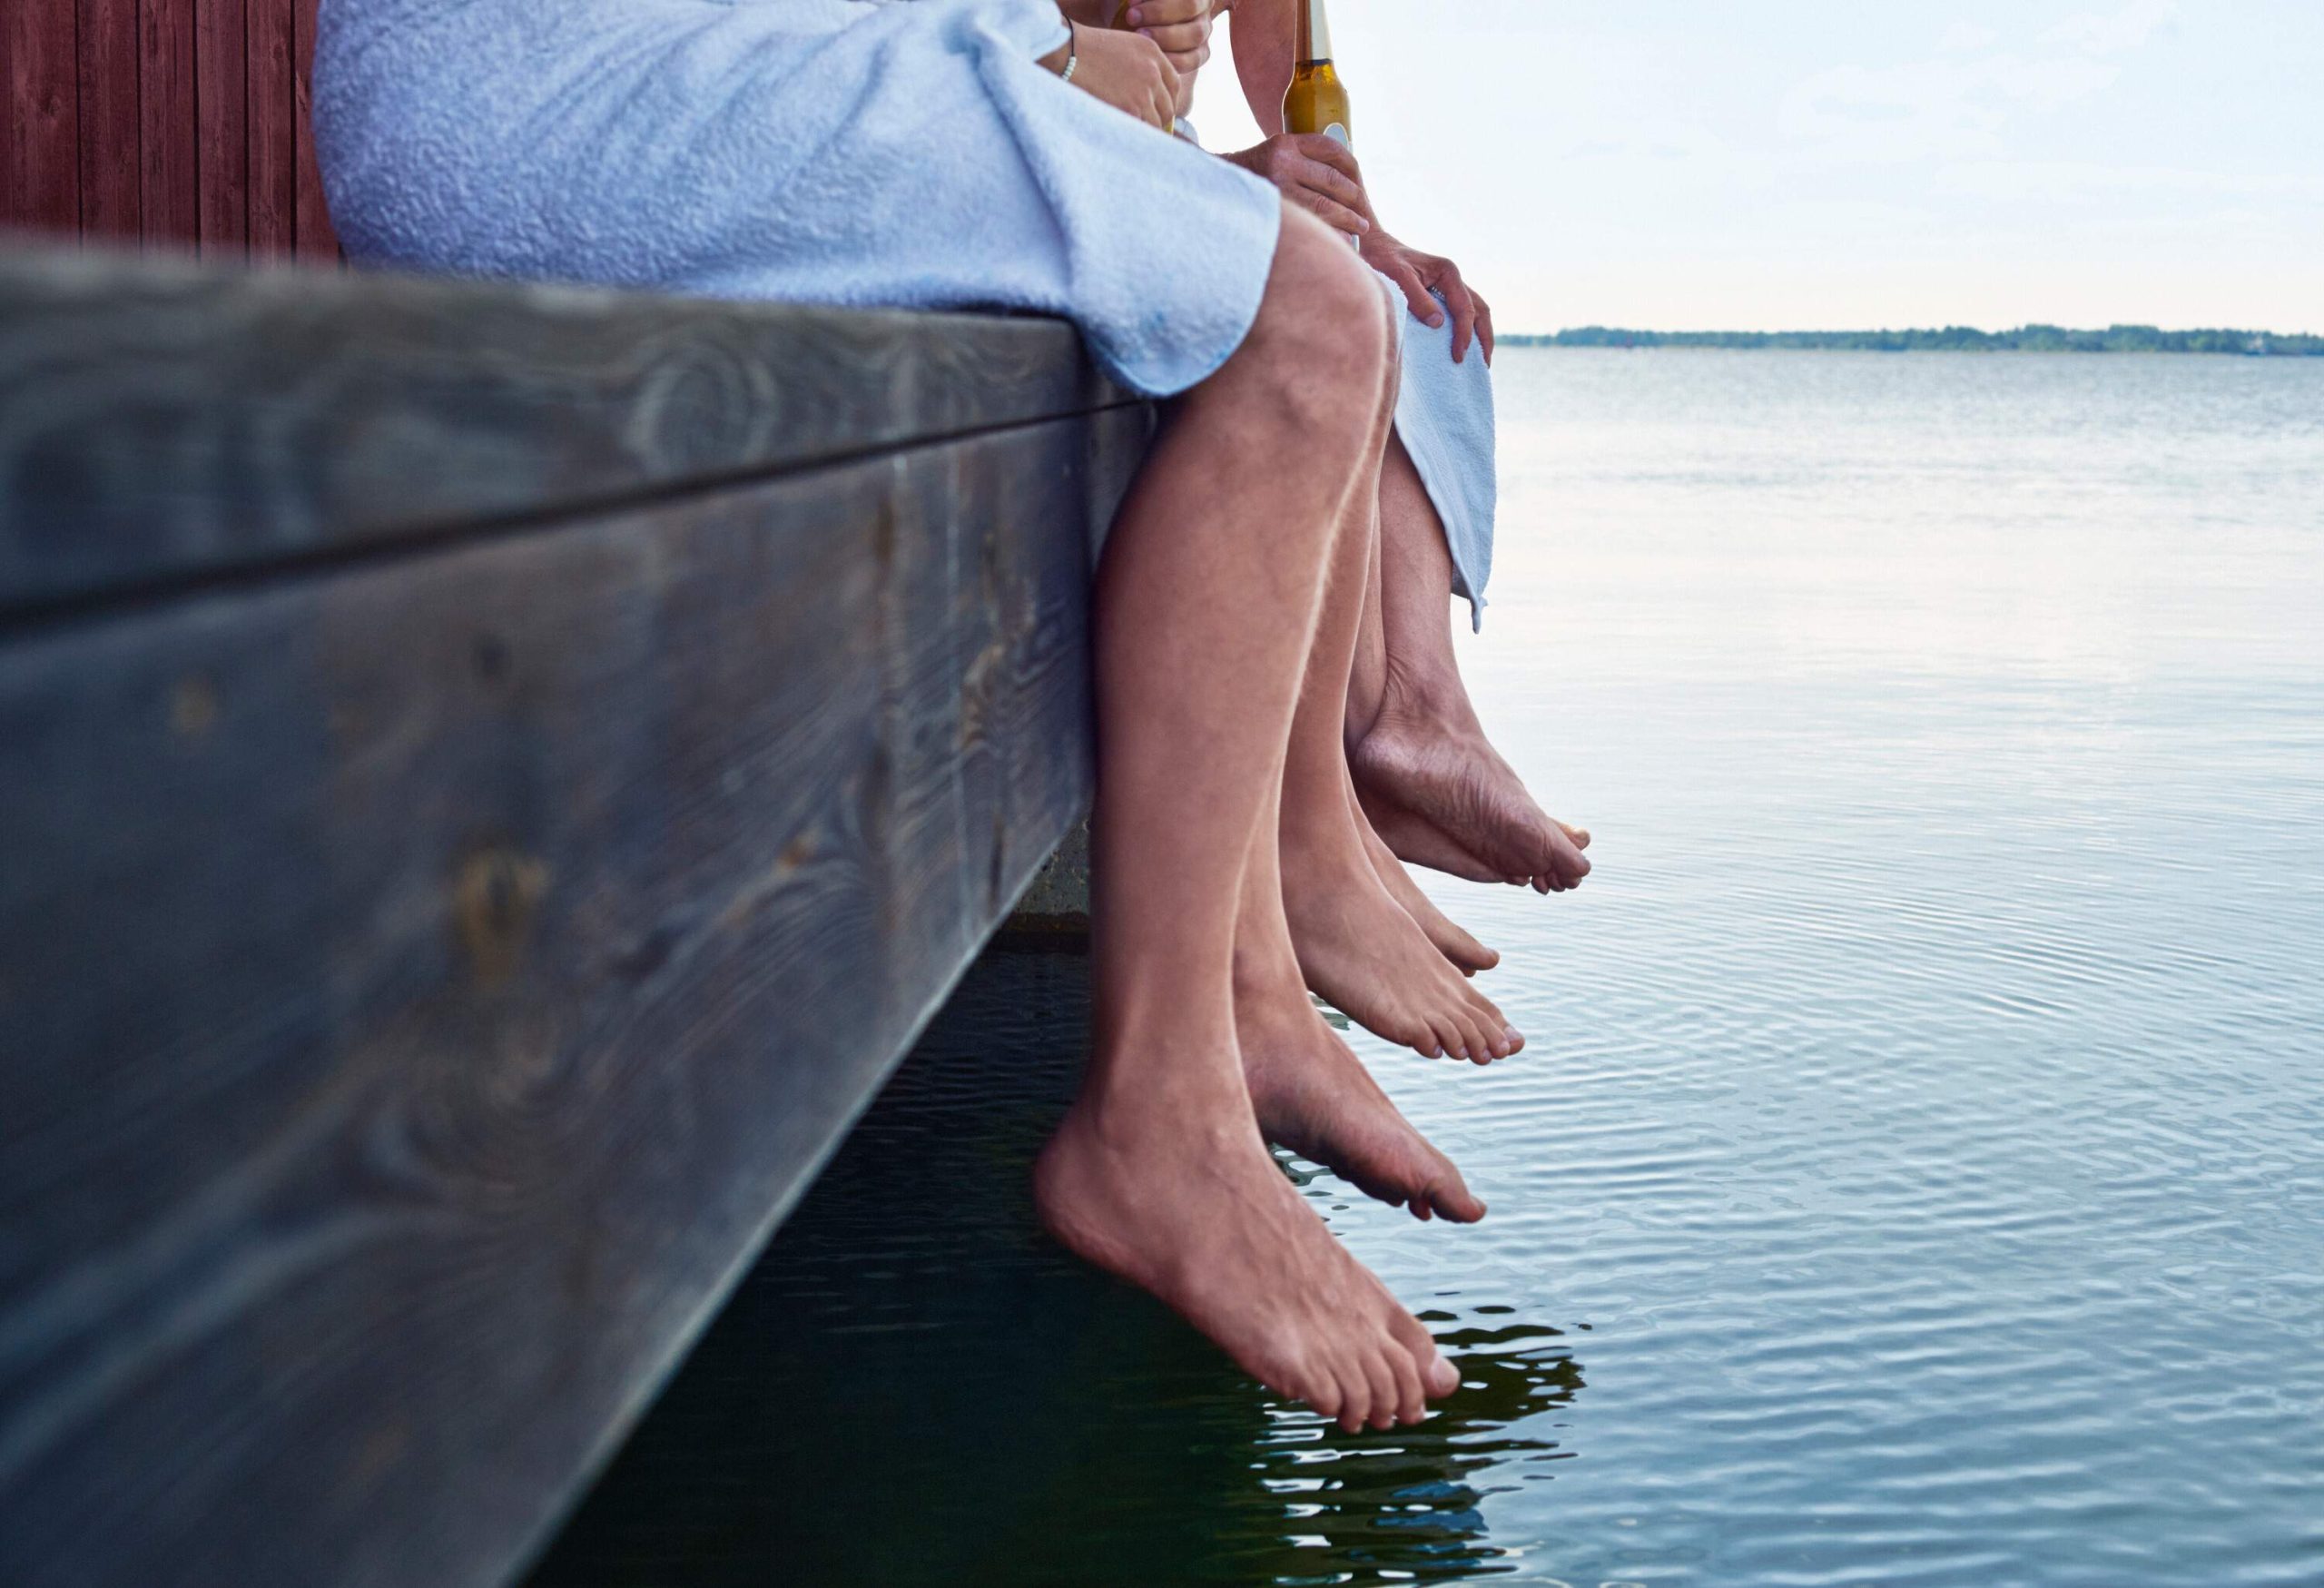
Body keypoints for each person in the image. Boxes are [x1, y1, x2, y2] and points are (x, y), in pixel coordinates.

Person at [314, 0, 1486, 1431]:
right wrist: (1058, 61)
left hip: (583, 74)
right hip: (545, 90)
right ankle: (1158, 1119)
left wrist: (1074, 63)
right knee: (1298, 320)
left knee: (1288, 286)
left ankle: (1252, 994)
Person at [1092, 0, 1594, 907]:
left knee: (1407, 302)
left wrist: (1356, 219)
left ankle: (1420, 717)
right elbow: (1022, 75)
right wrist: (1228, 182)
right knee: (1327, 302)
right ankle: (1341, 810)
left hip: (1158, 154)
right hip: (1078, 160)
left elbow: (1284, 36)